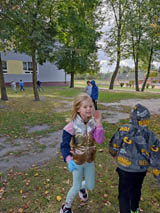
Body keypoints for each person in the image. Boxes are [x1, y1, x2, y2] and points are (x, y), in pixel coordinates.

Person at [109, 104, 160, 213]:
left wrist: (113, 152)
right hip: (140, 170)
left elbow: (115, 144)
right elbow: (156, 158)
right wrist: (157, 173)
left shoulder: (123, 129)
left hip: (124, 169)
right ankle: (134, 209)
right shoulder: (152, 136)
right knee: (136, 189)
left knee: (124, 194)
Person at [60, 94, 104, 213]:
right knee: (75, 186)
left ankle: (82, 189)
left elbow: (99, 140)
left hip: (90, 160)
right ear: (78, 109)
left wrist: (99, 124)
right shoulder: (71, 126)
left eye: (91, 106)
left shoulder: (93, 123)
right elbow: (64, 145)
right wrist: (68, 159)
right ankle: (66, 208)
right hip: (77, 162)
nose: (89, 109)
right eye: (85, 107)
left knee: (90, 186)